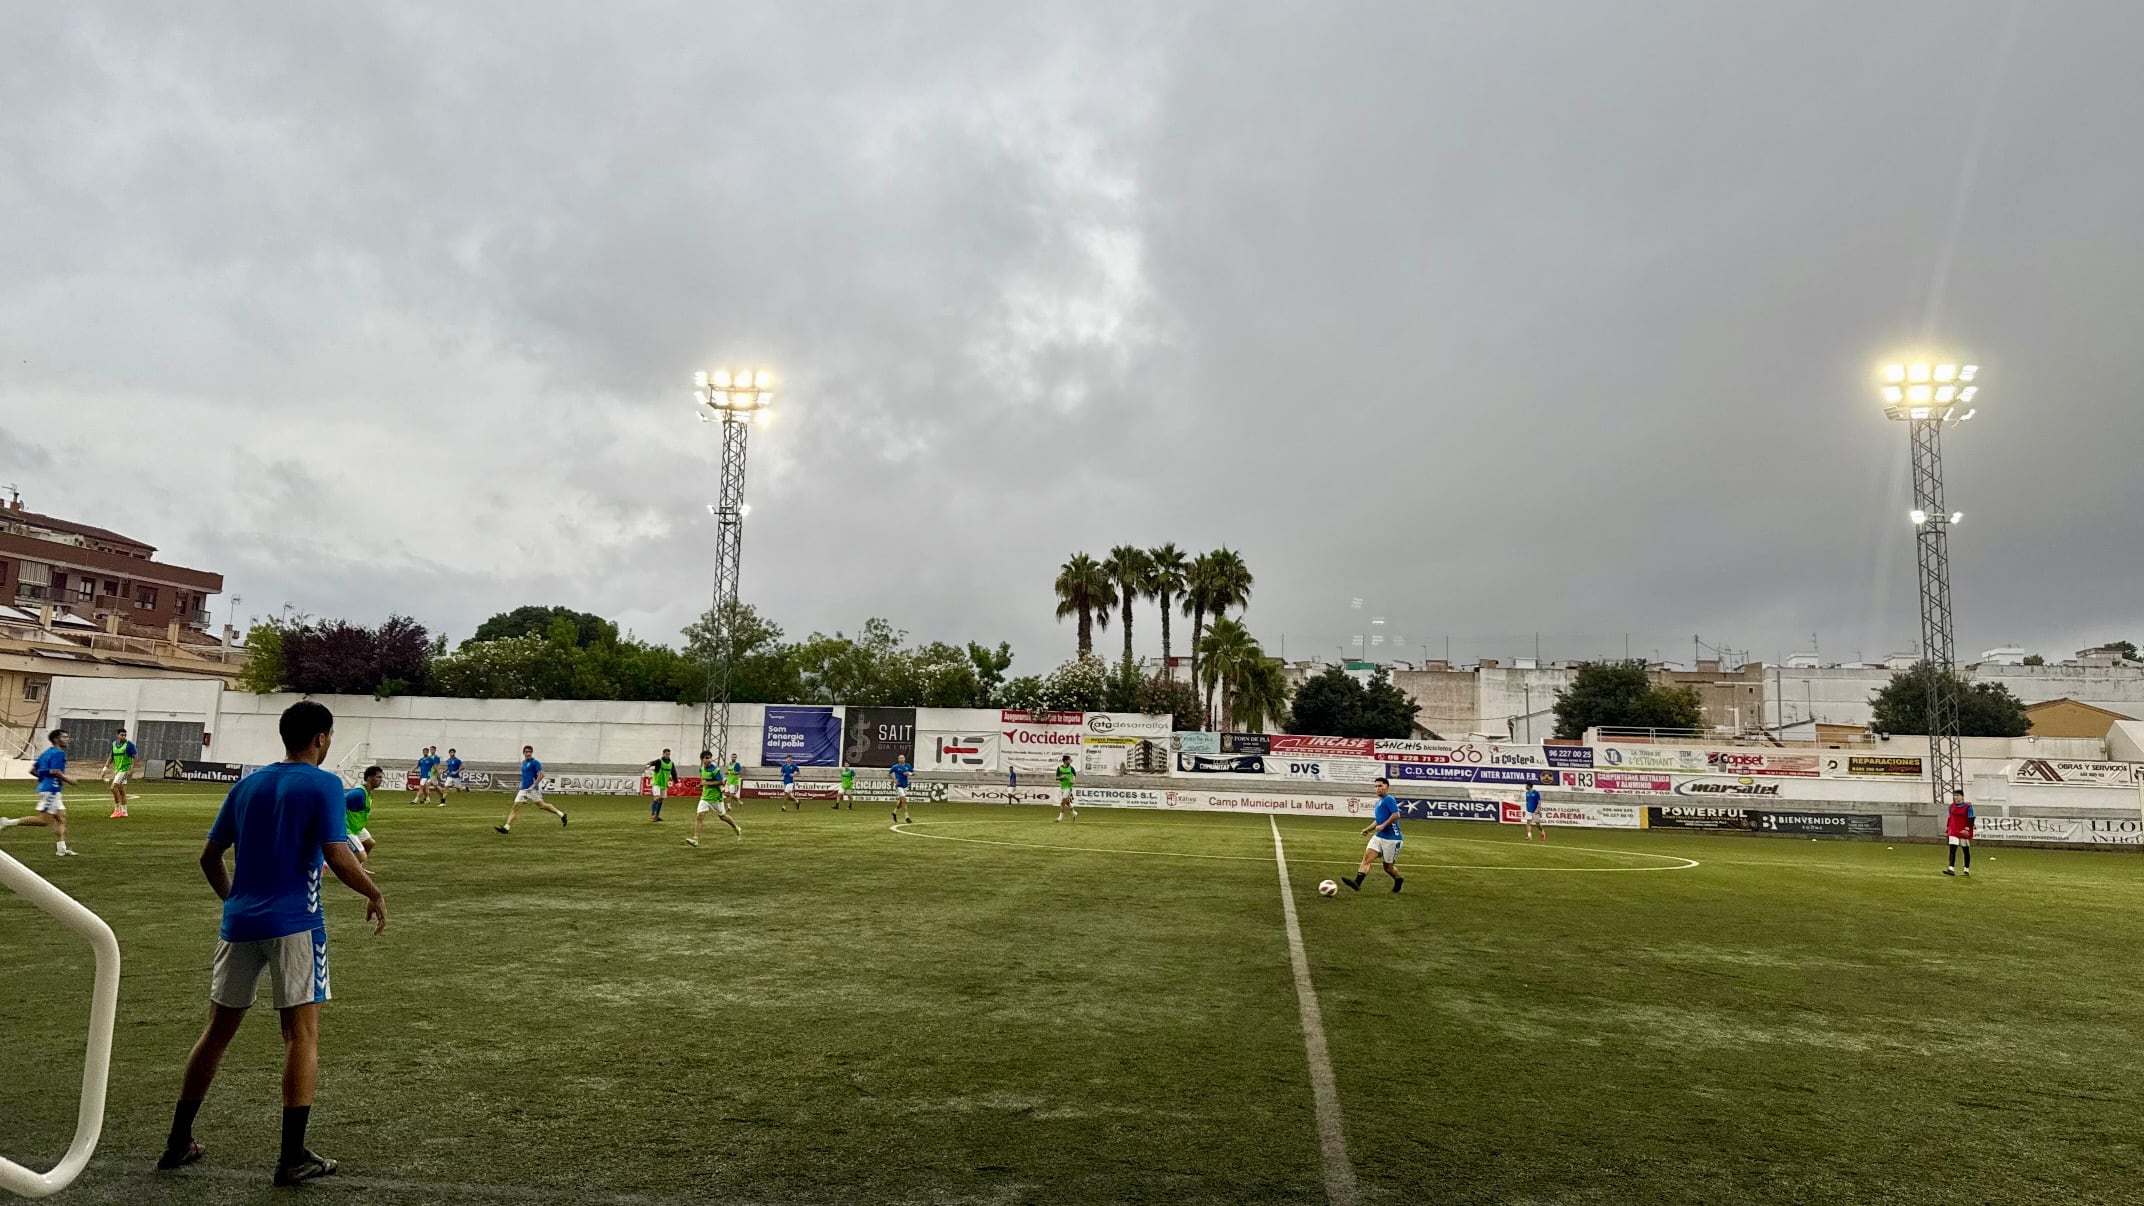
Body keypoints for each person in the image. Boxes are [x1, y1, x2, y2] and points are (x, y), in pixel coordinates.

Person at [156, 700, 386, 1186]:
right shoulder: (324, 784)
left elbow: (209, 857)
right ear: (321, 738)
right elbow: (338, 855)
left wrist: (234, 901)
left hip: (238, 924)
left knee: (216, 1032)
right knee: (300, 1036)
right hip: (296, 925)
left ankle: (178, 1142)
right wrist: (374, 891)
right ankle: (292, 1157)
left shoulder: (247, 784)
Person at [0, 728, 79, 856]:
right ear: (56, 739)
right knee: (44, 821)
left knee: (61, 818)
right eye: (64, 737)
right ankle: (8, 822)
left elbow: (32, 770)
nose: (67, 740)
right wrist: (69, 780)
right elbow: (55, 771)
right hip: (52, 790)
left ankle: (61, 849)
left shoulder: (46, 753)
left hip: (49, 788)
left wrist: (44, 779)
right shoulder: (58, 753)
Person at [1344, 777, 1404, 894]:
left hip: (1392, 839)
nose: (1378, 788)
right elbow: (1378, 820)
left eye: (1380, 786)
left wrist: (1383, 825)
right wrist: (1368, 829)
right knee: (1367, 858)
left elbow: (1396, 815)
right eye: (1376, 786)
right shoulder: (1378, 803)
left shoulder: (1389, 799)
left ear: (1387, 787)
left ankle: (1398, 879)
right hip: (1379, 836)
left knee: (1388, 868)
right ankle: (1357, 883)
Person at [495, 745, 567, 833]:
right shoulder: (524, 762)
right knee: (515, 807)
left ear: (532, 753)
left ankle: (562, 815)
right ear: (523, 753)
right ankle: (506, 828)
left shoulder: (535, 762)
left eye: (530, 751)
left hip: (533, 790)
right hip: (523, 790)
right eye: (526, 752)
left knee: (542, 806)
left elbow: (541, 775)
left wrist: (533, 786)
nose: (528, 753)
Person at [687, 749, 742, 846]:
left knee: (723, 817)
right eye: (706, 758)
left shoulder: (715, 770)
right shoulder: (701, 769)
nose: (708, 760)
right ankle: (695, 839)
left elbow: (721, 782)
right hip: (705, 797)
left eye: (710, 758)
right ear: (702, 760)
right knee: (700, 817)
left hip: (716, 797)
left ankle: (736, 827)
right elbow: (704, 781)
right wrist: (701, 785)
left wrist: (706, 783)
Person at [344, 767, 382, 869]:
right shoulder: (358, 794)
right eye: (378, 777)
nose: (381, 780)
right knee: (361, 856)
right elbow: (339, 802)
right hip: (346, 828)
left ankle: (358, 868)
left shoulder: (367, 793)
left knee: (369, 843)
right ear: (369, 778)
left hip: (356, 827)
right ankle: (351, 870)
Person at [106, 727, 140, 818]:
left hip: (124, 770)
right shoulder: (114, 744)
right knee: (121, 791)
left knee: (113, 788)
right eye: (122, 735)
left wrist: (132, 769)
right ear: (118, 735)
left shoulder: (129, 745)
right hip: (117, 770)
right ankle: (124, 812)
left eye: (125, 735)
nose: (124, 736)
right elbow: (111, 757)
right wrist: (105, 768)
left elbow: (135, 757)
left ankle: (117, 809)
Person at [1944, 788, 1975, 877]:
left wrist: (1967, 829)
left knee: (1965, 850)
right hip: (1953, 830)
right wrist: (1948, 828)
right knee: (1952, 849)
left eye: (1958, 795)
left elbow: (1971, 818)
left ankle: (1966, 869)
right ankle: (1951, 868)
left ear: (1962, 797)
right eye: (1954, 795)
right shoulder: (1951, 806)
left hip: (1963, 831)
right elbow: (1950, 818)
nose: (1956, 797)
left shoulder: (1968, 807)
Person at [647, 749, 678, 823]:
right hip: (657, 783)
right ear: (663, 754)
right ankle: (653, 814)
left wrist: (676, 781)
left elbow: (673, 773)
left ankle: (657, 816)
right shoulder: (659, 761)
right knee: (657, 798)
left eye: (669, 754)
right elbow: (652, 763)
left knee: (661, 799)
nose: (667, 755)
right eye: (666, 754)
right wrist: (649, 765)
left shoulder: (671, 763)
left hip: (664, 784)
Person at [889, 757, 915, 825]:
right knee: (904, 800)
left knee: (900, 803)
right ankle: (907, 817)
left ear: (904, 759)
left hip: (905, 785)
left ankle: (894, 812)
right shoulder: (895, 767)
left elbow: (913, 773)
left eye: (903, 758)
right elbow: (889, 773)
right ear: (898, 759)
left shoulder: (908, 765)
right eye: (900, 758)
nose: (902, 759)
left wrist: (909, 773)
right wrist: (894, 780)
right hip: (899, 786)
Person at [1054, 755, 1077, 822]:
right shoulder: (1059, 768)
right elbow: (1056, 778)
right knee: (1067, 802)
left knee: (1062, 802)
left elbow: (1074, 775)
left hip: (1068, 787)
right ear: (1065, 761)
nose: (1070, 761)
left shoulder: (1071, 768)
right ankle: (1073, 812)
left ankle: (1060, 818)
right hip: (1062, 787)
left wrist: (1073, 781)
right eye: (1069, 760)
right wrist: (1061, 777)